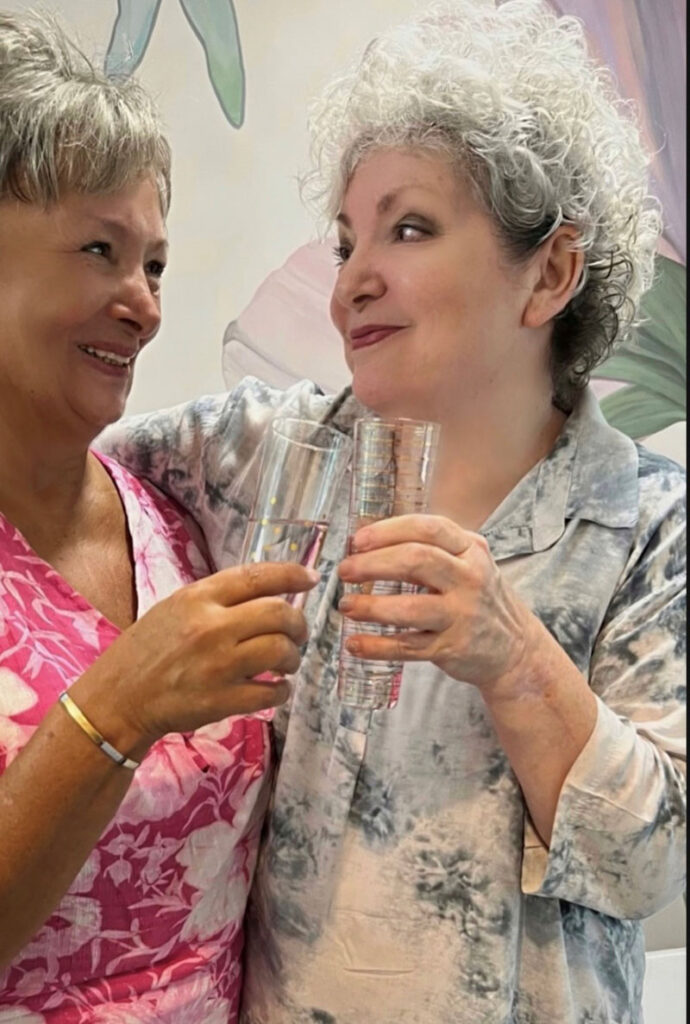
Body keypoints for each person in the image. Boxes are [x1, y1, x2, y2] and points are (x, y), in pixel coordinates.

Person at [102, 1, 686, 1021]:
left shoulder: (646, 522)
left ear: (548, 271)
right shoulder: (258, 455)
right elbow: (65, 476)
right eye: (344, 240)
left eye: (408, 227)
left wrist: (513, 653)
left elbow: (653, 865)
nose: (351, 283)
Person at [0, 12, 319, 1022]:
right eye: (101, 249)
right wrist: (117, 707)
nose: (143, 303)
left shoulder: (173, 520)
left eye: (156, 266)